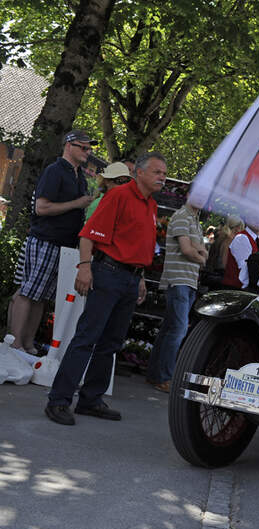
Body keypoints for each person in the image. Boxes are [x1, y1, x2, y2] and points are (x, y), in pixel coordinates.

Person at [44, 152, 166, 425]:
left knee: (111, 343)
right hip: (108, 273)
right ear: (141, 173)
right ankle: (59, 400)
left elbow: (140, 245)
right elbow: (88, 235)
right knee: (87, 337)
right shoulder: (119, 195)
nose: (162, 177)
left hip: (130, 278)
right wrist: (84, 267)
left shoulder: (151, 205)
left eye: (164, 173)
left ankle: (90, 399)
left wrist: (141, 278)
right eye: (157, 172)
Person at [8, 130, 95, 358]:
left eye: (90, 148)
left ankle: (28, 344)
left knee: (42, 296)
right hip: (45, 239)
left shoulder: (79, 175)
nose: (88, 152)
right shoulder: (54, 171)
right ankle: (15, 343)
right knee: (29, 291)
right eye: (83, 147)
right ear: (68, 146)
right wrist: (78, 203)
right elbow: (42, 208)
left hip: (63, 244)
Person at [145, 200, 207, 393]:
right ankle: (164, 378)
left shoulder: (194, 220)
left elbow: (197, 248)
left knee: (170, 328)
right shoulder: (182, 216)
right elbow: (187, 249)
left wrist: (197, 249)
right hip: (178, 280)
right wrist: (201, 256)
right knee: (178, 330)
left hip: (187, 281)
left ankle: (155, 374)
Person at [221, 218, 259, 289]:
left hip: (245, 290)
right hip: (236, 291)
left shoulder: (257, 241)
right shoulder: (242, 238)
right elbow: (245, 271)